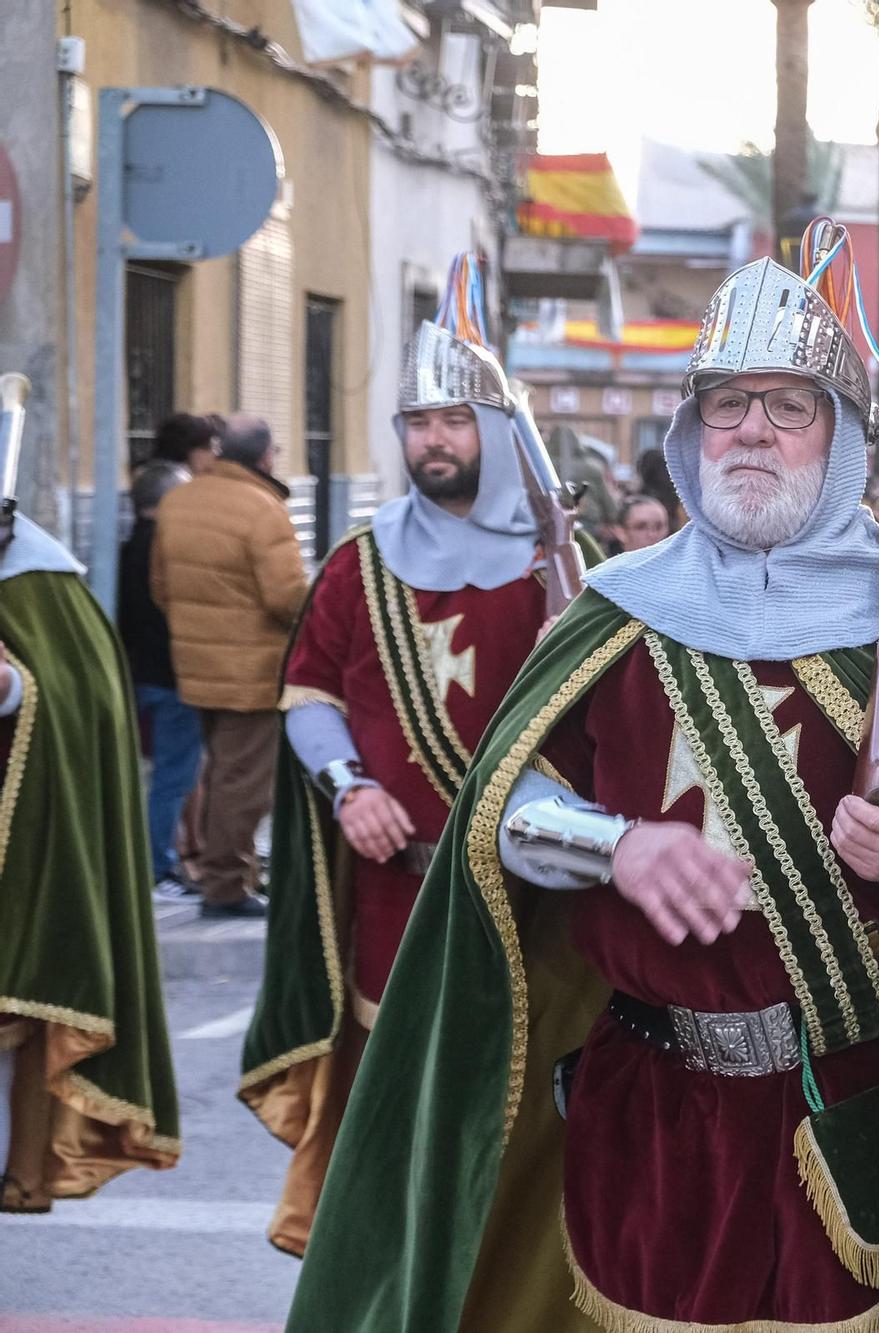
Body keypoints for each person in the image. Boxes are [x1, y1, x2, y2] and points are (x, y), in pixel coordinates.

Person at [286, 257, 879, 1332]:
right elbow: (503, 808)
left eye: (788, 407)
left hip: (859, 1094)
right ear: (691, 433)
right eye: (726, 404)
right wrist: (613, 846)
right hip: (645, 1105)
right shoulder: (614, 610)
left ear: (840, 440)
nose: (751, 430)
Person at [237, 296, 559, 1257]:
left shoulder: (564, 568)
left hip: (525, 888)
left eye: (454, 419)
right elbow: (308, 694)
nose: (434, 440)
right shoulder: (358, 565)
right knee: (393, 1099)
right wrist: (350, 786)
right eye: (417, 422)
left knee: (526, 1094)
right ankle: (385, 1273)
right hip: (396, 885)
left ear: (495, 431)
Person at [1, 510, 180, 1212]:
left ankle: (23, 1168)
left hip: (22, 840)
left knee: (24, 1005)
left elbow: (69, 701)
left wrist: (12, 687)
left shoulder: (39, 582)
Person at [152, 415, 309, 917]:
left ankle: (227, 870)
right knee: (242, 782)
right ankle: (226, 886)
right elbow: (286, 599)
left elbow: (160, 587)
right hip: (251, 672)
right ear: (265, 458)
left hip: (194, 664)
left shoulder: (179, 499)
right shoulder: (265, 510)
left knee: (218, 773)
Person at [117, 459, 204, 899]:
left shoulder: (124, 549)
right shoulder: (171, 551)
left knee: (144, 776)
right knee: (173, 778)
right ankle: (157, 868)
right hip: (173, 679)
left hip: (136, 676)